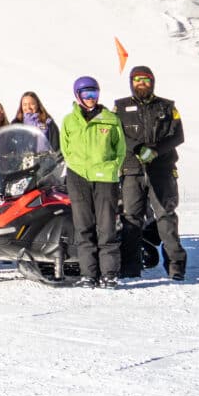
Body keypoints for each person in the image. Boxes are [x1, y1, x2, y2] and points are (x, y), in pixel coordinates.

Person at [114, 65, 187, 281]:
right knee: (131, 219)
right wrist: (137, 148)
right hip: (132, 171)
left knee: (166, 216)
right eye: (137, 80)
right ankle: (130, 267)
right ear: (131, 82)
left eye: (145, 80)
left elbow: (178, 136)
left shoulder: (167, 106)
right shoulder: (120, 107)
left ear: (152, 82)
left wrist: (155, 150)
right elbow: (117, 134)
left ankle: (176, 267)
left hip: (161, 170)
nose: (141, 84)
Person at [61, 77, 127, 289]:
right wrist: (76, 165)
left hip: (105, 178)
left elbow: (120, 149)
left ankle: (109, 273)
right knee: (83, 227)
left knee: (106, 227)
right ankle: (88, 273)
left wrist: (112, 167)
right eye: (86, 94)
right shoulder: (69, 121)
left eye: (94, 94)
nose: (90, 98)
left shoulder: (110, 119)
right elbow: (65, 148)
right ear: (77, 96)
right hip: (78, 177)